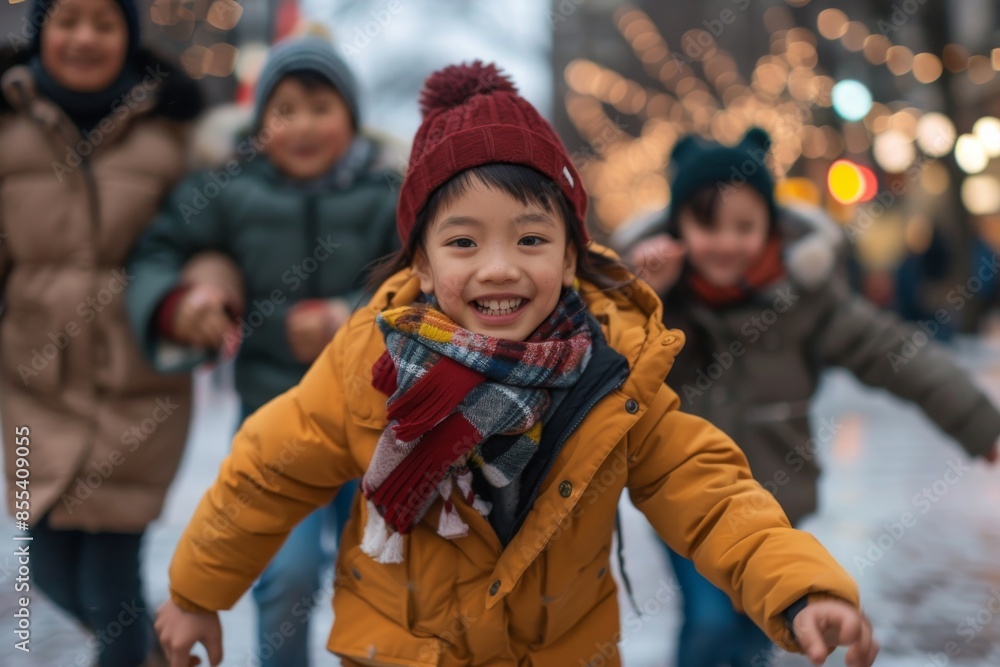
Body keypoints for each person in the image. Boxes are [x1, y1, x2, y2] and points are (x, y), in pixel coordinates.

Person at [153, 62, 879, 667]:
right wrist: (195, 594)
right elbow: (267, 470)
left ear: (570, 256)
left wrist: (801, 587)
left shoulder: (611, 378)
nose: (499, 269)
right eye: (464, 243)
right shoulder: (370, 361)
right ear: (425, 264)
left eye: (530, 239)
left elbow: (710, 492)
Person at [624, 128, 1000, 666]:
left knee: (759, 618)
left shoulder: (802, 298)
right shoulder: (656, 299)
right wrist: (643, 292)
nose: (727, 242)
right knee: (708, 622)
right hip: (686, 503)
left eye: (745, 226)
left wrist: (977, 420)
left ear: (771, 227)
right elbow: (610, 361)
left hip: (774, 498)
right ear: (678, 227)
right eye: (708, 225)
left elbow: (891, 351)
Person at [126, 36, 399, 667]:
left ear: (351, 118)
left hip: (380, 426)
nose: (301, 125)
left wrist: (350, 320)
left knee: (386, 581)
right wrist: (182, 299)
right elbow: (158, 250)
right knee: (287, 575)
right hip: (275, 422)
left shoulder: (388, 194)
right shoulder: (227, 190)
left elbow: (424, 277)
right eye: (284, 109)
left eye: (320, 107)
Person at [0, 0, 205, 664]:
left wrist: (199, 291)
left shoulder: (173, 132)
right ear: (41, 31)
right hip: (33, 386)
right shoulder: (7, 127)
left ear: (128, 35)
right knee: (48, 564)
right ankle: (157, 652)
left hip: (138, 386)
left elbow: (208, 236)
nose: (84, 37)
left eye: (104, 22)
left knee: (110, 578)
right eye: (67, 19)